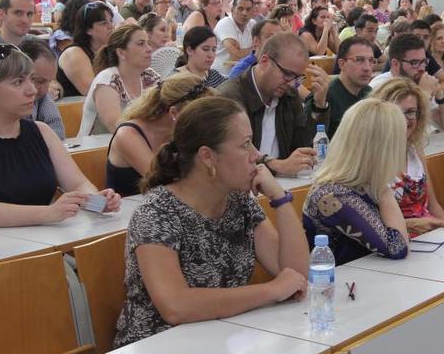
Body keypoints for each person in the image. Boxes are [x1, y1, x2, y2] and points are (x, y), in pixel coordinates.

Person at [112, 97, 308, 347]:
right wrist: (271, 290)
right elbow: (176, 307)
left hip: (220, 339)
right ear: (207, 157)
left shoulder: (239, 202)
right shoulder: (157, 212)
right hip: (159, 344)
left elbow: (295, 277)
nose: (256, 155)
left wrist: (280, 199)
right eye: (245, 144)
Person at [0, 43, 120, 231]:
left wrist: (98, 203)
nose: (32, 90)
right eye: (18, 82)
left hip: (41, 242)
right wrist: (48, 213)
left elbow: (77, 184)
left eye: (31, 80)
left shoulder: (41, 131)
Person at [303, 98, 409, 265]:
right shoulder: (335, 195)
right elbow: (397, 247)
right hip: (336, 285)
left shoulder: (358, 183)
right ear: (383, 150)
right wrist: (383, 189)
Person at [217, 33, 330, 176]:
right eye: (287, 74)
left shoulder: (289, 94)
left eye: (297, 78)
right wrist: (276, 165)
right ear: (264, 61)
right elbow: (229, 155)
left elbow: (304, 144)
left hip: (283, 184)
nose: (291, 84)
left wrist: (319, 105)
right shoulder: (229, 97)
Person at [106, 73, 214, 197]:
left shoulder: (181, 131)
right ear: (174, 112)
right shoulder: (127, 135)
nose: (203, 122)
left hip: (166, 206)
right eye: (197, 116)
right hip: (128, 211)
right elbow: (163, 182)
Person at [371, 79, 444, 236]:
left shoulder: (415, 150)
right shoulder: (370, 156)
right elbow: (366, 223)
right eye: (396, 112)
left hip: (428, 239)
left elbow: (433, 205)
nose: (403, 119)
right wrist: (410, 225)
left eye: (410, 112)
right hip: (392, 242)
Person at [0, 40, 65, 139]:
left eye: (49, 82)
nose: (36, 90)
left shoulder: (40, 100)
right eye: (19, 81)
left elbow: (58, 131)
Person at [79, 24, 161, 136]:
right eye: (141, 44)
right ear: (121, 52)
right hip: (98, 149)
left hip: (136, 143)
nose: (149, 49)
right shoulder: (107, 80)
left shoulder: (150, 76)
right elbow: (118, 128)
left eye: (148, 43)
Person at [370, 34, 444, 133]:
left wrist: (440, 94)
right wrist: (424, 94)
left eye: (424, 62)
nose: (421, 68)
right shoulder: (381, 86)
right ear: (395, 64)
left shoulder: (417, 81)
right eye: (414, 62)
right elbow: (398, 132)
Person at [57, 0, 114, 97]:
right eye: (104, 23)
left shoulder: (109, 51)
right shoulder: (73, 53)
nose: (111, 26)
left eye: (111, 21)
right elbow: (92, 91)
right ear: (88, 30)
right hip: (74, 109)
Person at [327, 37, 374, 137]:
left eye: (371, 61)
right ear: (342, 64)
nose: (367, 68)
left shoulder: (371, 94)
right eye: (359, 60)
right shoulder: (326, 96)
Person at [211, 0, 255, 76]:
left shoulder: (252, 24)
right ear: (232, 9)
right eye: (240, 9)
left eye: (248, 9)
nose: (244, 13)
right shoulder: (225, 23)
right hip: (221, 77)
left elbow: (263, 47)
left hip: (242, 76)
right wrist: (255, 49)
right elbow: (236, 55)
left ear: (252, 11)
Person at [141, 13, 180, 79]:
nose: (167, 35)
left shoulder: (171, 54)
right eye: (162, 30)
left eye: (167, 30)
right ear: (148, 33)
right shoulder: (139, 58)